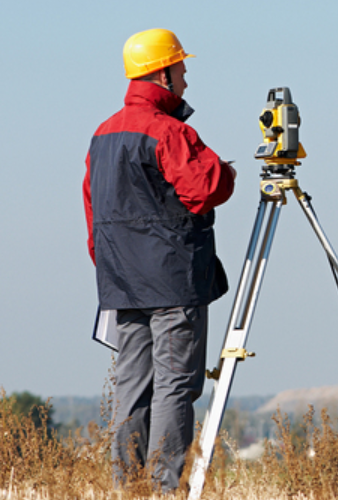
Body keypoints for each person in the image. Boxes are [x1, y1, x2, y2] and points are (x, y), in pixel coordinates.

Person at [82, 28, 236, 492]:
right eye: (182, 69)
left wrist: (112, 268)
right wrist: (226, 171)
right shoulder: (168, 131)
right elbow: (204, 187)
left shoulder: (103, 134)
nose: (186, 78)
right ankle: (166, 489)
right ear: (163, 74)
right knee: (175, 385)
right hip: (171, 282)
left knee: (132, 388)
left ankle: (127, 488)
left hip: (121, 282)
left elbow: (93, 211)